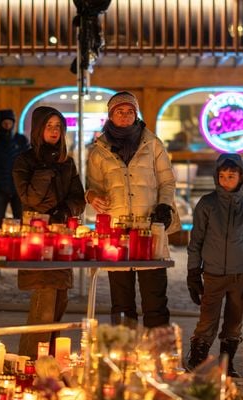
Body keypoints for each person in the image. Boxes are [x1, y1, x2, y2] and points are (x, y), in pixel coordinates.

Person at [86, 91, 177, 328]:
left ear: (136, 115)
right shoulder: (99, 151)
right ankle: (123, 347)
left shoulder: (152, 144)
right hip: (117, 233)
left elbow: (167, 181)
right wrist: (92, 196)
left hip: (150, 229)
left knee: (155, 298)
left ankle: (157, 347)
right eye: (120, 111)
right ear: (110, 115)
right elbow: (93, 187)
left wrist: (164, 205)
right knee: (122, 301)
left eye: (130, 111)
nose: (125, 116)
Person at [13, 106, 85, 357]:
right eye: (49, 126)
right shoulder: (25, 161)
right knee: (43, 301)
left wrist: (65, 210)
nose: (54, 131)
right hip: (37, 237)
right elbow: (31, 199)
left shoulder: (67, 163)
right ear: (38, 129)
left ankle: (49, 360)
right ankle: (30, 361)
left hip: (61, 236)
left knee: (59, 302)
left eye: (58, 127)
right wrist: (45, 170)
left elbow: (78, 198)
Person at [186, 153, 243, 376]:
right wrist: (193, 272)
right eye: (222, 176)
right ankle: (198, 358)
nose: (226, 180)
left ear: (241, 177)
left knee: (234, 321)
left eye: (231, 176)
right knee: (207, 320)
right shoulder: (207, 204)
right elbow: (196, 240)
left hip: (240, 276)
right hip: (213, 274)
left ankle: (226, 361)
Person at [0, 109, 29, 225]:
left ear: (13, 123)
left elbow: (29, 162)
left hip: (18, 188)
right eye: (4, 122)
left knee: (20, 220)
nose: (7, 125)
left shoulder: (22, 141)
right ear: (0, 124)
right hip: (0, 188)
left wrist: (22, 180)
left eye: (9, 122)